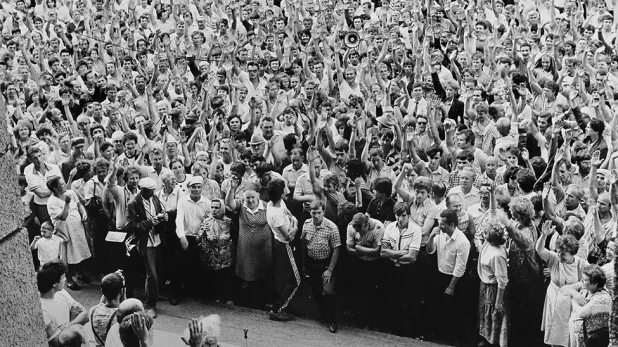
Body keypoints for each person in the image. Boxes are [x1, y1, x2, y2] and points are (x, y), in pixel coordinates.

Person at [537, 222, 588, 347]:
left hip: (571, 302)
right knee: (554, 334)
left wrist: (575, 291)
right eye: (559, 252)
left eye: (563, 254)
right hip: (554, 298)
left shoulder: (581, 264)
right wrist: (544, 235)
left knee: (568, 334)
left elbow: (587, 282)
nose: (559, 255)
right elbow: (539, 249)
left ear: (573, 253)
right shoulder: (554, 258)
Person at [226, 180, 272, 309]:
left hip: (263, 247)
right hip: (245, 247)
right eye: (247, 198)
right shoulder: (241, 206)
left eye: (253, 197)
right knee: (246, 274)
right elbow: (229, 203)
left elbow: (284, 217)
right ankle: (248, 302)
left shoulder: (267, 206)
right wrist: (231, 189)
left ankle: (264, 301)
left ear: (258, 196)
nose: (250, 200)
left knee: (264, 274)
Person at [427, 208, 470, 344]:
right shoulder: (440, 234)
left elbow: (460, 267)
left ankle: (455, 339)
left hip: (455, 279)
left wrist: (451, 287)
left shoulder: (462, 242)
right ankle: (440, 336)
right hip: (440, 275)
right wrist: (430, 238)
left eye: (442, 224)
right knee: (438, 307)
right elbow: (430, 251)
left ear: (452, 225)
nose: (439, 226)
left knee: (455, 311)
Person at [125, 177, 167, 319]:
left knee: (159, 271)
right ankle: (150, 305)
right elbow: (131, 225)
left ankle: (154, 294)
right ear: (142, 190)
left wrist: (162, 218)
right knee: (151, 274)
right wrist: (149, 222)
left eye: (153, 190)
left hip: (157, 240)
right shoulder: (133, 203)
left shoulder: (154, 198)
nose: (152, 193)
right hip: (145, 242)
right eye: (149, 191)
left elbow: (160, 212)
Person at [380, 202, 422, 337]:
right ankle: (395, 329)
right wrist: (402, 252)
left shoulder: (416, 230)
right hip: (392, 269)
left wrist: (393, 254)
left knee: (409, 300)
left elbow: (412, 257)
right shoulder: (390, 227)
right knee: (393, 298)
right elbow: (382, 252)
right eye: (398, 215)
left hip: (409, 270)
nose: (400, 219)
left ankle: (411, 332)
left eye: (403, 215)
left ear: (408, 215)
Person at [46, 176, 91, 290]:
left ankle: (79, 274)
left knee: (79, 252)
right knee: (66, 257)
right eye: (61, 184)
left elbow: (79, 204)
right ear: (55, 189)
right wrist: (66, 203)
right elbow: (63, 217)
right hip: (64, 232)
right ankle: (69, 280)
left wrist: (83, 213)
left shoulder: (71, 192)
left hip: (77, 229)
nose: (65, 185)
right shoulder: (52, 202)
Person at [267, 179, 299, 322]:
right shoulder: (275, 214)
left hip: (283, 243)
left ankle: (287, 306)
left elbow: (291, 217)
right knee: (295, 280)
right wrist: (295, 226)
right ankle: (277, 309)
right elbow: (289, 235)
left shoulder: (278, 204)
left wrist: (293, 223)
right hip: (284, 245)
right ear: (281, 194)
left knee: (286, 278)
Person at [38, 259, 89, 347]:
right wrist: (74, 319)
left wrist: (65, 327)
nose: (65, 279)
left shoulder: (61, 292)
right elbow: (57, 342)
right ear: (54, 284)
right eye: (63, 277)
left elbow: (85, 315)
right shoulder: (43, 310)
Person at [477, 219, 509, 347]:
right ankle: (486, 338)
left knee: (494, 314)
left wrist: (498, 301)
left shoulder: (497, 255)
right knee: (485, 314)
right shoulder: (487, 243)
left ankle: (493, 342)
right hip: (485, 285)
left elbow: (502, 280)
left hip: (494, 288)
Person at [197, 198, 235, 304]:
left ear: (221, 208)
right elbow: (199, 239)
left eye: (217, 208)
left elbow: (234, 237)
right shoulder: (206, 222)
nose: (214, 210)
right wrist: (203, 231)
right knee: (216, 278)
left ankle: (229, 298)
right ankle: (217, 297)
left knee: (227, 277)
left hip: (226, 256)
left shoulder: (228, 222)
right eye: (212, 207)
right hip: (212, 257)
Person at [563, 265, 612, 347]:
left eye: (585, 280)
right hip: (580, 339)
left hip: (591, 341)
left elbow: (581, 313)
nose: (582, 281)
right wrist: (574, 293)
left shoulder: (602, 297)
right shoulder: (587, 289)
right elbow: (563, 289)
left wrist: (573, 300)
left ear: (595, 283)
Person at [89, 272, 125, 347]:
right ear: (121, 292)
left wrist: (109, 281)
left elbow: (101, 304)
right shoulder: (121, 317)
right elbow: (126, 307)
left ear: (102, 292)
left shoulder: (93, 310)